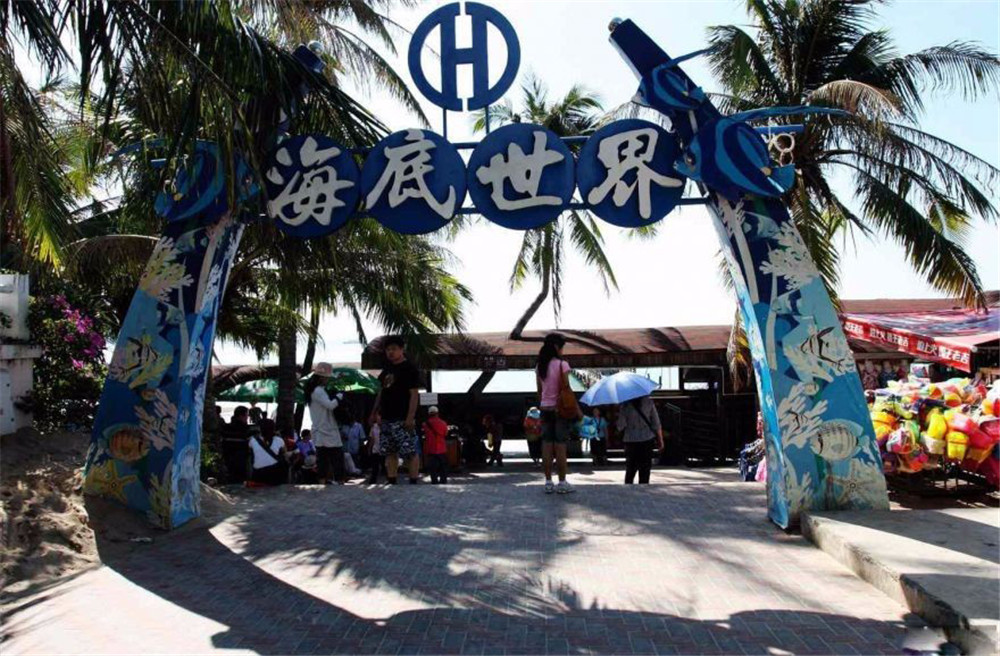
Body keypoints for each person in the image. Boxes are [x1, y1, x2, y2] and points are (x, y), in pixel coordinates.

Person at [369, 336, 421, 485]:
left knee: (410, 451)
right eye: (388, 350)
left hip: (402, 417)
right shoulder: (387, 369)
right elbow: (381, 392)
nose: (390, 352)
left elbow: (414, 394)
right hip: (386, 417)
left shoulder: (409, 369)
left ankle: (413, 480)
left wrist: (410, 417)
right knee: (389, 451)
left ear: (401, 350)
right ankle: (392, 480)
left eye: (394, 349)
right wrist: (374, 412)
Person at [536, 333, 579, 494]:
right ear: (556, 347)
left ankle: (548, 482)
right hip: (559, 411)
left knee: (546, 446)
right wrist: (577, 410)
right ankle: (562, 482)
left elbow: (539, 391)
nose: (562, 351)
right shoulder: (562, 365)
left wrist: (544, 404)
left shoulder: (540, 366)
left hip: (544, 409)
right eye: (561, 347)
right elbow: (566, 388)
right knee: (560, 447)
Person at [307, 363, 345, 485]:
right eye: (327, 378)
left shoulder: (314, 390)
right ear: (322, 378)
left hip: (319, 431)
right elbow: (330, 405)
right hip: (327, 430)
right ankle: (339, 482)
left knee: (322, 460)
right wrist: (339, 396)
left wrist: (338, 380)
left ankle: (322, 483)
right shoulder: (318, 391)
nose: (328, 380)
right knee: (337, 459)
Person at [616, 395, 664, 485]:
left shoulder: (625, 405)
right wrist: (660, 440)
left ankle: (628, 489)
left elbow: (620, 426)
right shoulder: (649, 402)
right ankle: (644, 488)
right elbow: (656, 423)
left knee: (631, 468)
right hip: (647, 438)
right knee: (645, 468)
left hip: (631, 439)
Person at [249, 419, 288, 485]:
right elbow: (285, 453)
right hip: (274, 474)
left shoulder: (252, 440)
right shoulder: (279, 440)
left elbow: (251, 453)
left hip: (258, 474)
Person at [221, 405, 251, 483]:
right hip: (241, 460)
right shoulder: (245, 429)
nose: (247, 417)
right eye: (246, 415)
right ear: (241, 416)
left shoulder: (226, 427)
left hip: (228, 459)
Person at [423, 406, 449, 484]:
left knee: (432, 467)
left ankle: (434, 481)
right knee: (443, 466)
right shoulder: (443, 423)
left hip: (431, 448)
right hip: (441, 448)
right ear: (437, 413)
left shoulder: (425, 424)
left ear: (429, 414)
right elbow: (445, 434)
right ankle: (443, 480)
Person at [367, 414, 383, 484]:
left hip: (384, 449)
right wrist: (369, 448)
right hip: (376, 449)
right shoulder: (373, 427)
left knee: (386, 466)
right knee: (375, 467)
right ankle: (372, 480)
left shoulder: (386, 426)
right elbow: (372, 439)